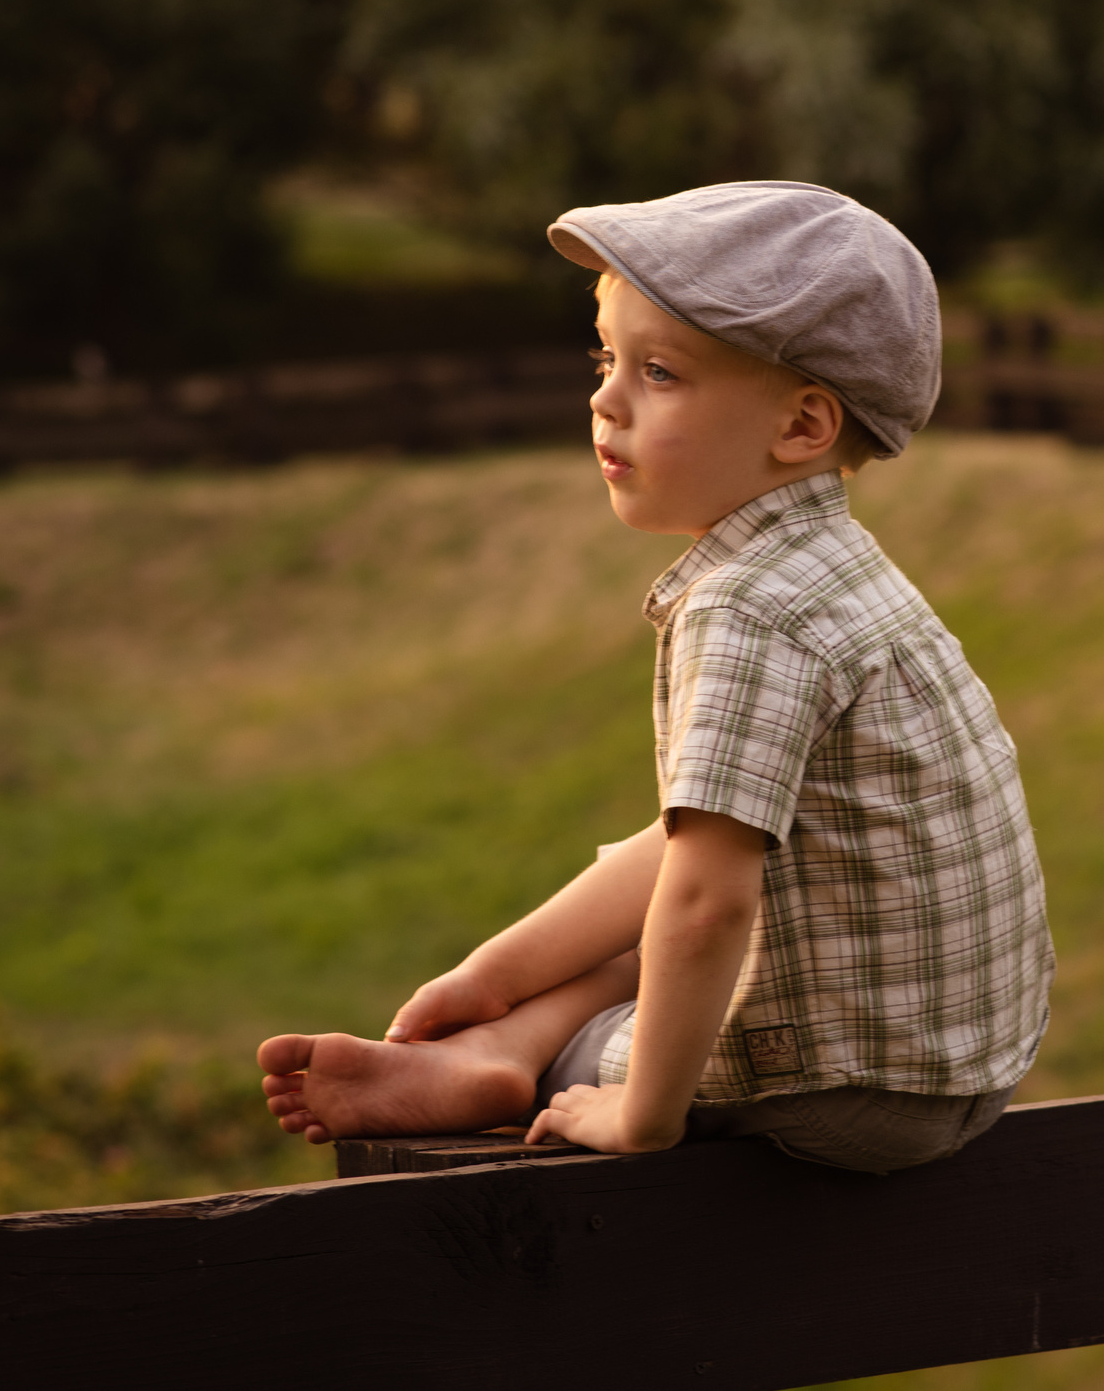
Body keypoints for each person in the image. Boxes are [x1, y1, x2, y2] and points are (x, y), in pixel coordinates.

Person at [258, 181, 1054, 1170]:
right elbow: (681, 849)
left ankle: (519, 1058)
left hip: (847, 1085)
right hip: (963, 1065)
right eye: (606, 357)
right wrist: (494, 971)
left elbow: (705, 905)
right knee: (673, 902)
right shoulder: (841, 570)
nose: (604, 396)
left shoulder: (747, 609)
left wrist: (640, 1113)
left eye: (660, 371)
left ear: (803, 425)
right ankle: (504, 1032)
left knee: (642, 992)